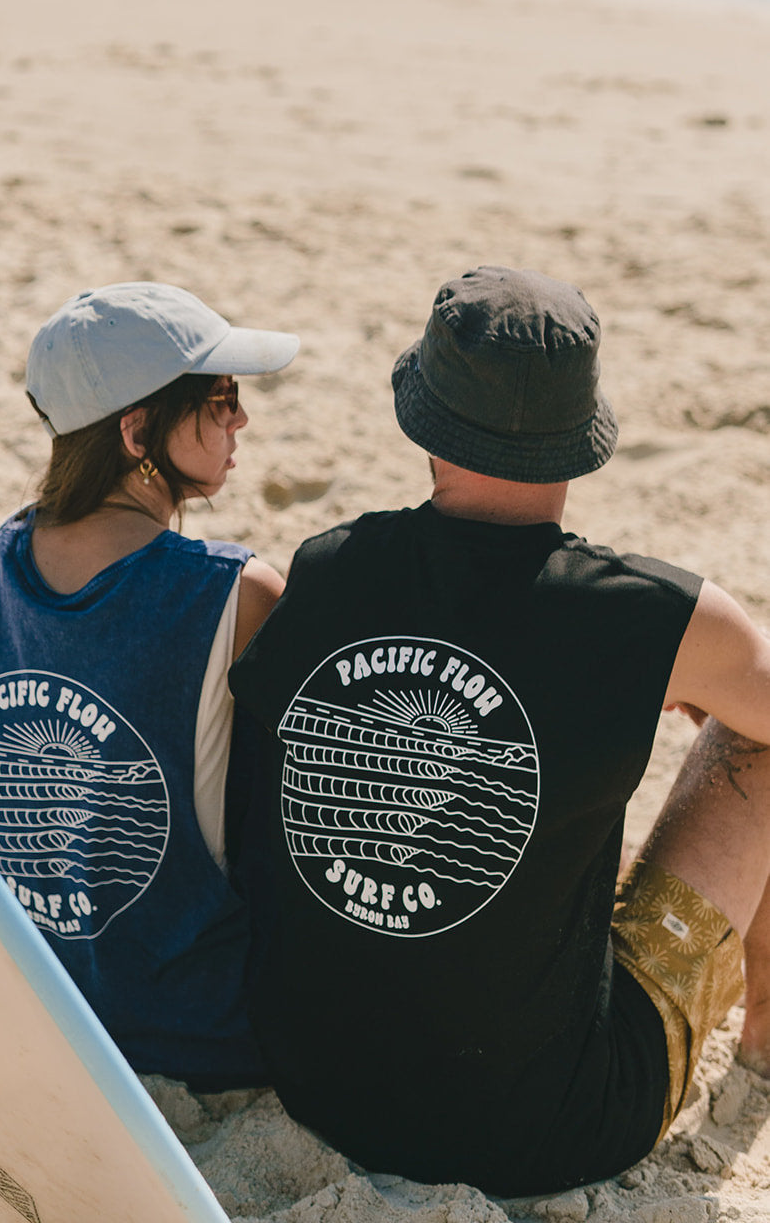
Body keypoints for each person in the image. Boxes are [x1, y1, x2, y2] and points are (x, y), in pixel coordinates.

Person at [228, 264, 770, 1197]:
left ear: (425, 422)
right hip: (551, 1130)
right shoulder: (653, 618)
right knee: (751, 740)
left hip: (317, 1087)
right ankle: (764, 1036)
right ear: (581, 435)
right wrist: (684, 684)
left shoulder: (325, 568)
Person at [0, 281, 297, 1090]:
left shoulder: (4, 554)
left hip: (35, 1001)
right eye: (220, 398)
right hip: (187, 1031)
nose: (240, 419)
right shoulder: (232, 592)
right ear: (137, 431)